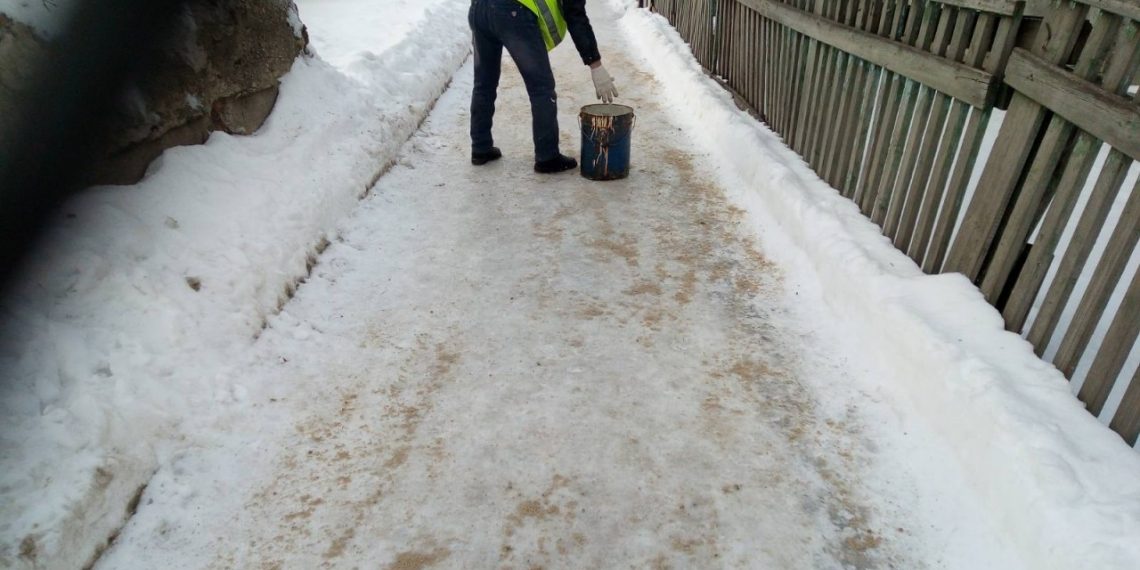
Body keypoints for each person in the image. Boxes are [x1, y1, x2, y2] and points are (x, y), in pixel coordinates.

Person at [468, 0, 619, 173]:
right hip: (513, 11)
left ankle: (480, 147)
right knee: (541, 89)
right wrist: (595, 64)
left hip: (479, 8)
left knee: (484, 83)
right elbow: (574, 14)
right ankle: (547, 157)